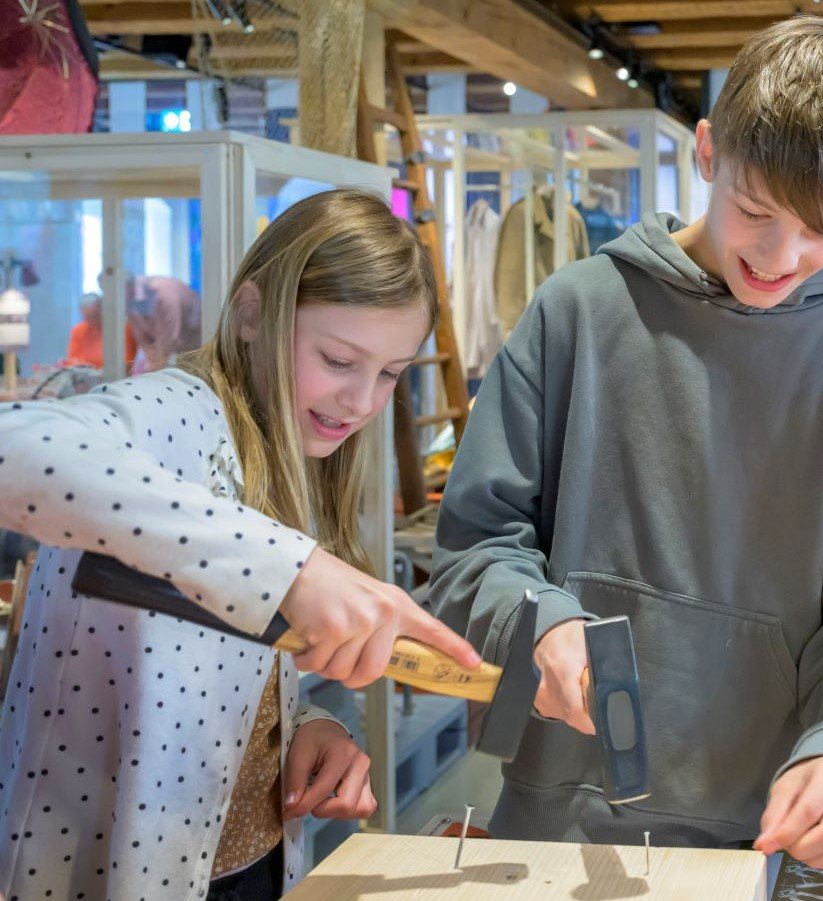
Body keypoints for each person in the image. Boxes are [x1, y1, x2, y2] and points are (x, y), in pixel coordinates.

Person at [429, 16, 823, 871]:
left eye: (821, 229)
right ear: (708, 152)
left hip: (764, 839)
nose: (781, 257)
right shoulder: (578, 313)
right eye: (755, 211)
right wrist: (537, 620)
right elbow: (475, 545)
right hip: (559, 818)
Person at [0, 188, 482, 900]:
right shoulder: (177, 410)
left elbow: (211, 663)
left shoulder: (282, 448)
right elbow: (15, 447)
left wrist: (303, 726)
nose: (362, 402)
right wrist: (293, 569)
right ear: (253, 313)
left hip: (249, 863)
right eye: (338, 359)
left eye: (388, 373)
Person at [124, 274, 204, 374]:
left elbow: (171, 338)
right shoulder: (129, 301)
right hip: (176, 351)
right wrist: (153, 364)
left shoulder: (164, 294)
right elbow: (143, 338)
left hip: (196, 345)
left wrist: (156, 367)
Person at [64, 291, 136, 370]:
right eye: (87, 316)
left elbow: (128, 361)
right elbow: (72, 361)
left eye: (94, 315)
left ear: (104, 310)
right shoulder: (79, 330)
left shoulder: (123, 329)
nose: (92, 321)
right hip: (88, 376)